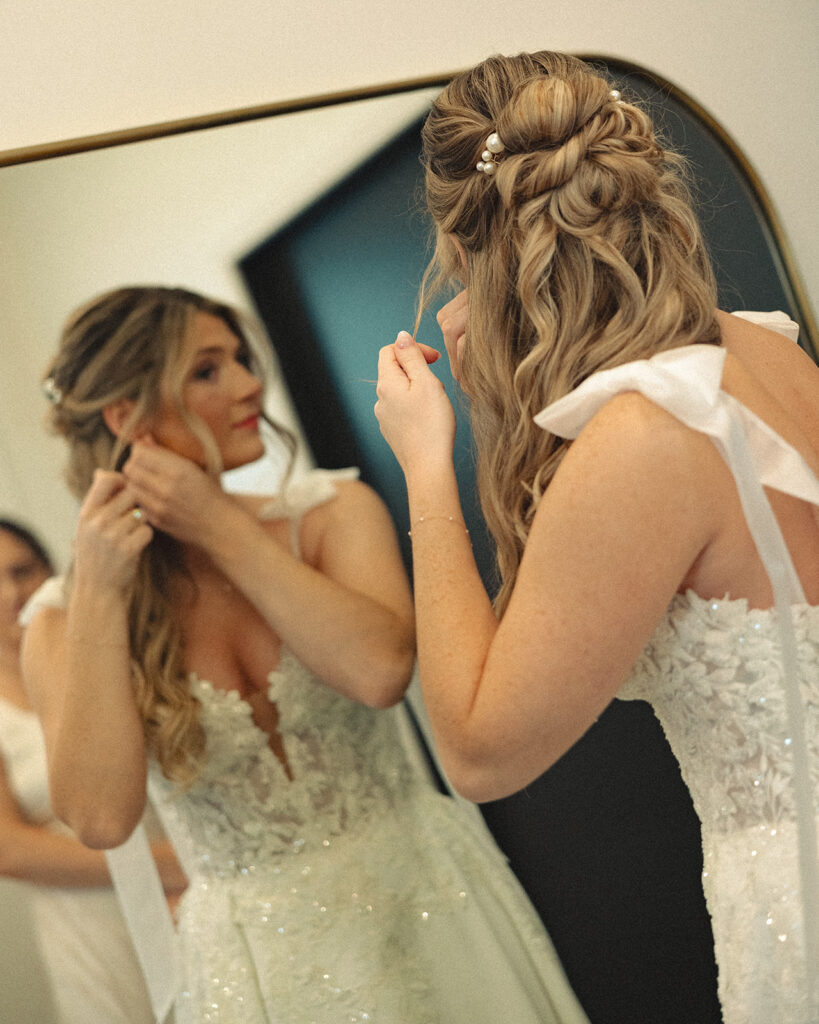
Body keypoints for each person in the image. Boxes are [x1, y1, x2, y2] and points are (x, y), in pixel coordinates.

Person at [374, 51, 819, 1024]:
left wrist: (423, 458)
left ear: (475, 252)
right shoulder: (769, 354)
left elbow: (481, 749)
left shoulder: (644, 441)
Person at [21, 284, 592, 1023]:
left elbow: (379, 672)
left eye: (238, 360)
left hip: (425, 900)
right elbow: (100, 819)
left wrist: (218, 526)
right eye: (207, 370)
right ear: (126, 416)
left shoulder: (330, 516)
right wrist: (99, 591)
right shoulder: (61, 619)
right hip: (257, 964)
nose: (250, 384)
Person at [0, 517, 185, 1024]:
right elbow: (9, 848)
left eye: (23, 570)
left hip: (192, 892)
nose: (12, 592)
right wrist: (171, 864)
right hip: (92, 922)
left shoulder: (108, 651)